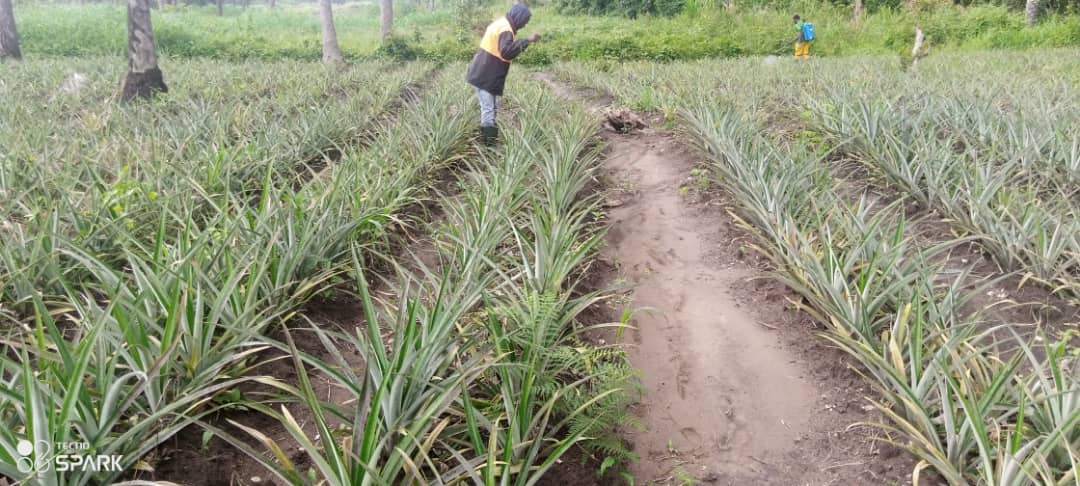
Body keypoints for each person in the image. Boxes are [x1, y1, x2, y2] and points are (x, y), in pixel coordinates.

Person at [466, 4, 541, 146]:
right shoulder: (506, 29)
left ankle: (489, 140)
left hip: (484, 71)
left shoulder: (501, 23)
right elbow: (506, 52)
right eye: (524, 21)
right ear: (518, 17)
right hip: (486, 74)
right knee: (488, 109)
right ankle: (489, 147)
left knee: (490, 108)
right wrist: (528, 40)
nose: (524, 25)